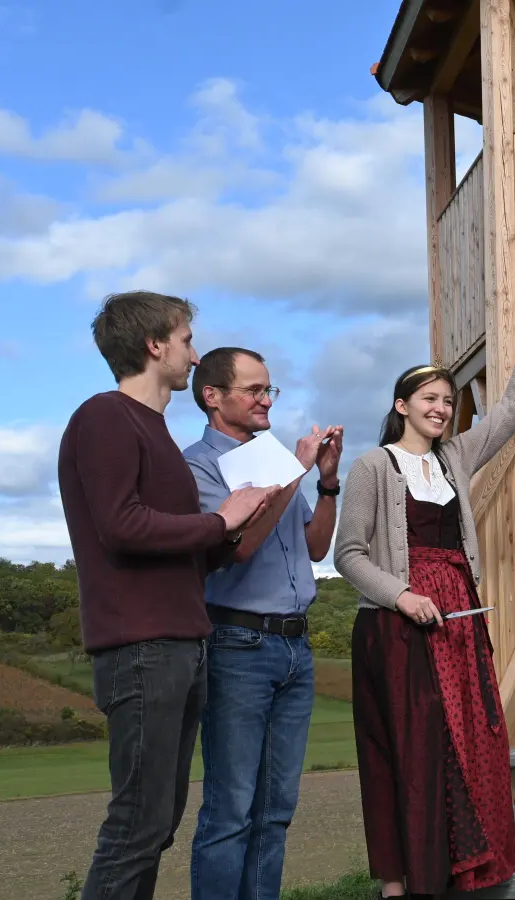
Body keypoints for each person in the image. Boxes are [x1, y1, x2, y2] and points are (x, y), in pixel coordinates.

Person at [59, 291, 274, 900]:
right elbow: (120, 526)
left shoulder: (154, 430)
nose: (194, 354)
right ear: (154, 346)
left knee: (156, 827)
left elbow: (189, 552)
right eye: (185, 340)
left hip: (180, 645)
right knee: (136, 825)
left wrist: (242, 522)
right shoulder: (104, 417)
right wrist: (219, 520)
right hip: (141, 648)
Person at [334, 286, 515, 898]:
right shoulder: (373, 467)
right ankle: (401, 882)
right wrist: (402, 595)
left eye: (448, 401)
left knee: (470, 740)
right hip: (399, 628)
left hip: (458, 622)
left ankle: (463, 866)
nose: (442, 409)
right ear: (402, 405)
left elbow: (510, 411)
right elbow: (347, 554)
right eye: (430, 399)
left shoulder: (455, 456)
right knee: (413, 749)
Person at [183, 347, 344, 900]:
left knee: (275, 811)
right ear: (212, 396)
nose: (266, 400)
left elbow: (316, 547)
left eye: (269, 389)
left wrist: (326, 483)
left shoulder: (272, 458)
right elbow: (240, 546)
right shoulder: (197, 466)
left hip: (296, 648)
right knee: (230, 811)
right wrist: (294, 472)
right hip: (237, 645)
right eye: (254, 390)